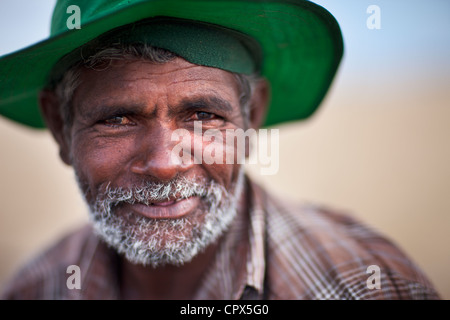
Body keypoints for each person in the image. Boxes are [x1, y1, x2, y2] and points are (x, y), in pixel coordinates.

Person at [0, 0, 440, 300]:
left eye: (204, 116)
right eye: (117, 119)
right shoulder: (35, 289)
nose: (165, 164)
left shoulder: (362, 287)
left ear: (254, 113)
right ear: (60, 125)